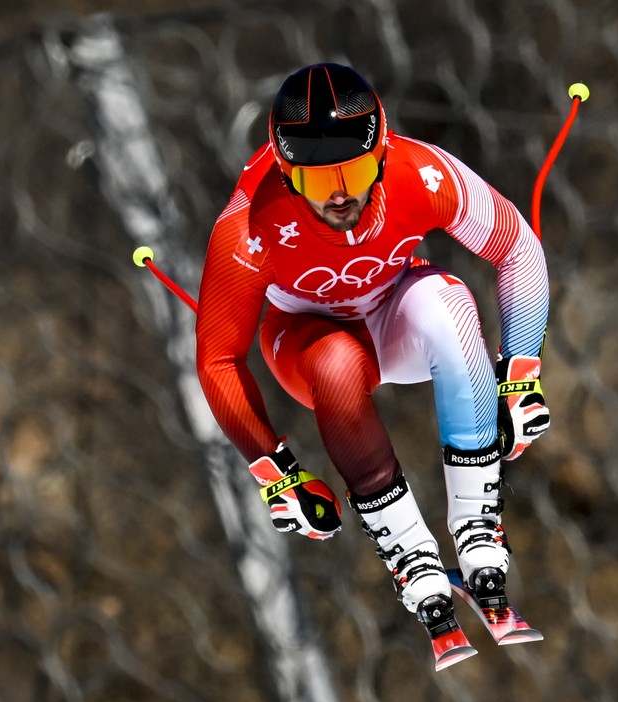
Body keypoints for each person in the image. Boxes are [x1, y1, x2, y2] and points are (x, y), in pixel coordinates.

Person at [195, 62, 550, 654]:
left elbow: (516, 245)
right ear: (286, 173)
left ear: (381, 151)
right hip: (308, 340)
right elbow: (217, 360)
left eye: (357, 171)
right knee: (335, 364)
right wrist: (276, 474)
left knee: (449, 303)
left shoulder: (422, 173)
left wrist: (520, 374)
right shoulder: (250, 226)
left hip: (396, 313)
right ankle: (411, 556)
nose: (340, 194)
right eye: (315, 180)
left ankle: (478, 530)